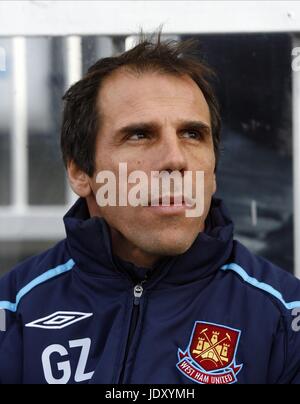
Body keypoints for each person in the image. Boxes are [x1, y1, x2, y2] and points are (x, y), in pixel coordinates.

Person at [0, 31, 300, 384]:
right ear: (81, 172)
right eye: (140, 134)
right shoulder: (13, 312)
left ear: (214, 171)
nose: (175, 159)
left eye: (192, 134)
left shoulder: (285, 319)